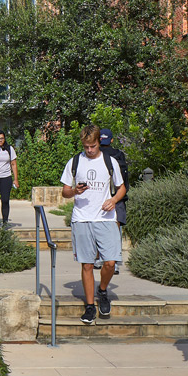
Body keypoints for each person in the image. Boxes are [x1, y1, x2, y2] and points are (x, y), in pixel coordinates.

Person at [60, 126, 125, 323]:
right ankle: (89, 307)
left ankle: (102, 290)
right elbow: (65, 191)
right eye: (86, 146)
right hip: (82, 218)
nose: (89, 150)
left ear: (99, 143)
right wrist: (75, 192)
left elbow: (121, 188)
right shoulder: (75, 161)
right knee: (87, 264)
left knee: (111, 262)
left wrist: (113, 200)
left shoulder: (109, 161)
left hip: (105, 218)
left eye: (93, 146)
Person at [99, 128, 130, 274]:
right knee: (115, 231)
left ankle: (99, 259)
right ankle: (115, 261)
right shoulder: (119, 155)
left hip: (100, 197)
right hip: (118, 197)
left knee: (97, 229)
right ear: (111, 140)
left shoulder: (94, 156)